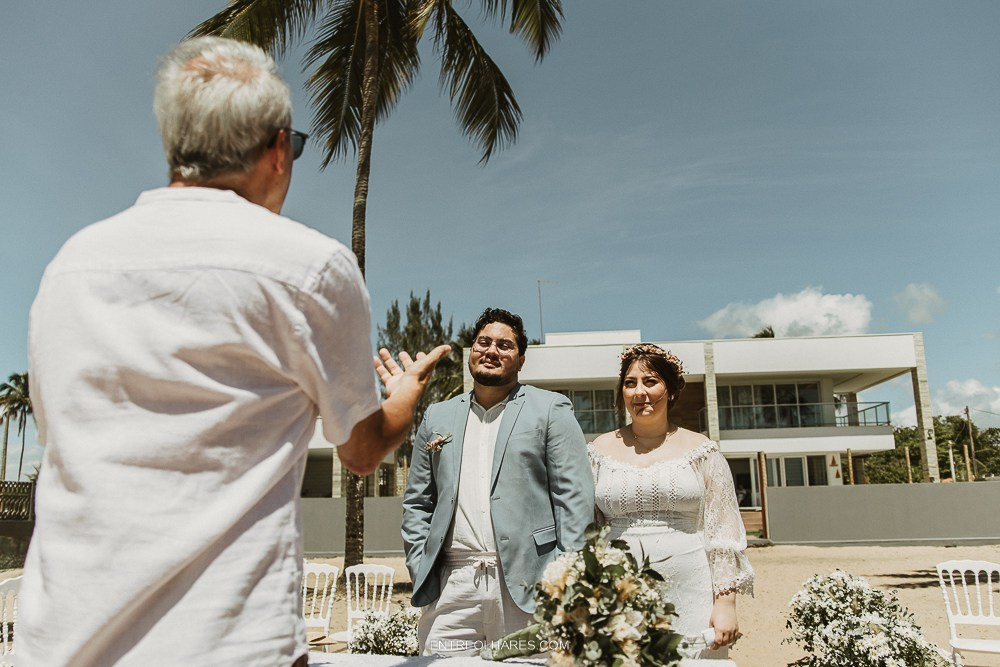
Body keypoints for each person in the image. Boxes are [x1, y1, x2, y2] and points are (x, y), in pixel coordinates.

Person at [20, 36, 449, 667]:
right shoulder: (309, 267)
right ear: (277, 149)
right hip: (229, 643)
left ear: (175, 149)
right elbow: (360, 452)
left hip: (59, 642)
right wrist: (405, 397)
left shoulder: (70, 268)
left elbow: (63, 437)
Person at [388, 308, 594, 656]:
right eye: (483, 342)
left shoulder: (550, 409)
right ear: (472, 350)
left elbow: (574, 500)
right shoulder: (437, 416)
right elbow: (418, 502)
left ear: (521, 359)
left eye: (504, 345)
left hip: (531, 584)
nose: (492, 350)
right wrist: (419, 565)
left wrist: (562, 577)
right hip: (452, 585)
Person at [588, 343, 754, 659]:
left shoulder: (702, 450)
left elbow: (724, 532)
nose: (640, 392)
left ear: (672, 390)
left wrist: (726, 603)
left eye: (650, 381)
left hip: (691, 590)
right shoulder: (598, 451)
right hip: (618, 593)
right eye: (630, 383)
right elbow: (588, 529)